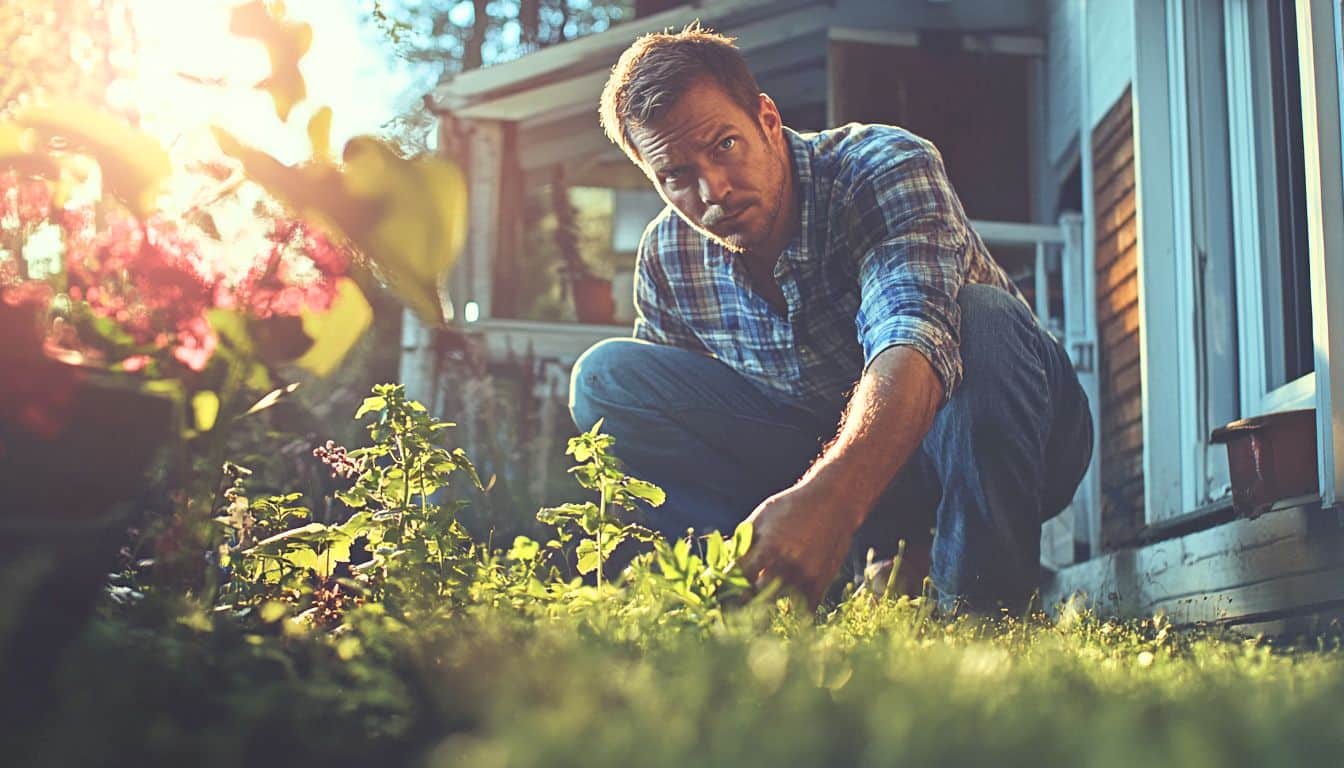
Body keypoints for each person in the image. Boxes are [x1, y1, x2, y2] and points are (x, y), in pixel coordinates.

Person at [570, 24, 1093, 613]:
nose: (712, 190)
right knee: (607, 379)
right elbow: (687, 433)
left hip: (1010, 433)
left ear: (767, 119)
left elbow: (911, 334)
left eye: (724, 145)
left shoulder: (880, 166)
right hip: (841, 461)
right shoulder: (669, 256)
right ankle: (758, 592)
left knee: (984, 315)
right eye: (676, 177)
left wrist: (832, 505)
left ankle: (981, 611)